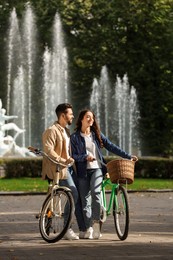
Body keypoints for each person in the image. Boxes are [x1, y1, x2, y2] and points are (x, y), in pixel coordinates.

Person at [70, 109, 138, 239]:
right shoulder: (74, 137)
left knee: (96, 193)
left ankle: (96, 225)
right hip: (83, 172)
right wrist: (85, 157)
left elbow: (111, 146)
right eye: (88, 117)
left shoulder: (96, 135)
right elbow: (73, 156)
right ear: (82, 119)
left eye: (92, 117)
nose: (91, 119)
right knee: (85, 201)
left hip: (97, 169)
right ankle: (88, 227)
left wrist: (128, 156)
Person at [42, 103, 86, 240]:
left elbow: (68, 151)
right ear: (63, 115)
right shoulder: (51, 130)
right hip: (59, 169)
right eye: (70, 114)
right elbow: (48, 150)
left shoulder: (65, 131)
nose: (73, 116)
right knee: (73, 192)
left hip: (68, 168)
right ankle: (67, 228)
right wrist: (62, 160)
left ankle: (48, 222)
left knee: (62, 196)